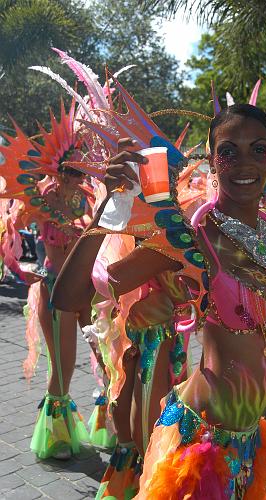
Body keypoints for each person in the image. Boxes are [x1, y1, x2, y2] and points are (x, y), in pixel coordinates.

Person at [54, 98, 266, 498]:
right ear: (213, 162)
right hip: (202, 444)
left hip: (249, 437)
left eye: (257, 149)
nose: (244, 163)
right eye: (228, 151)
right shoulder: (191, 240)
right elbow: (69, 296)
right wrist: (109, 210)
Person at [0, 106, 94, 460]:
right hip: (55, 288)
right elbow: (18, 217)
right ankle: (55, 435)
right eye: (68, 169)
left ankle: (98, 417)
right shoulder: (45, 198)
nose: (74, 176)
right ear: (57, 168)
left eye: (79, 169)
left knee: (100, 356)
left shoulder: (83, 198)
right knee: (63, 364)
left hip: (82, 289)